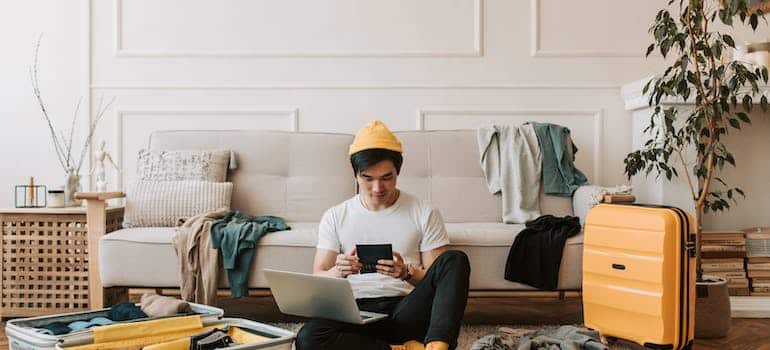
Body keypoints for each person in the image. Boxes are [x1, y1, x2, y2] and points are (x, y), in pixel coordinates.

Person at [295, 120, 471, 350]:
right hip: (355, 313)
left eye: (386, 177)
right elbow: (318, 278)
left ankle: (437, 347)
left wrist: (405, 272)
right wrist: (339, 271)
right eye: (368, 178)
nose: (377, 188)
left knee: (455, 259)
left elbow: (437, 280)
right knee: (308, 338)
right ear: (355, 175)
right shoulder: (336, 215)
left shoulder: (424, 211)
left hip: (406, 311)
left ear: (398, 171)